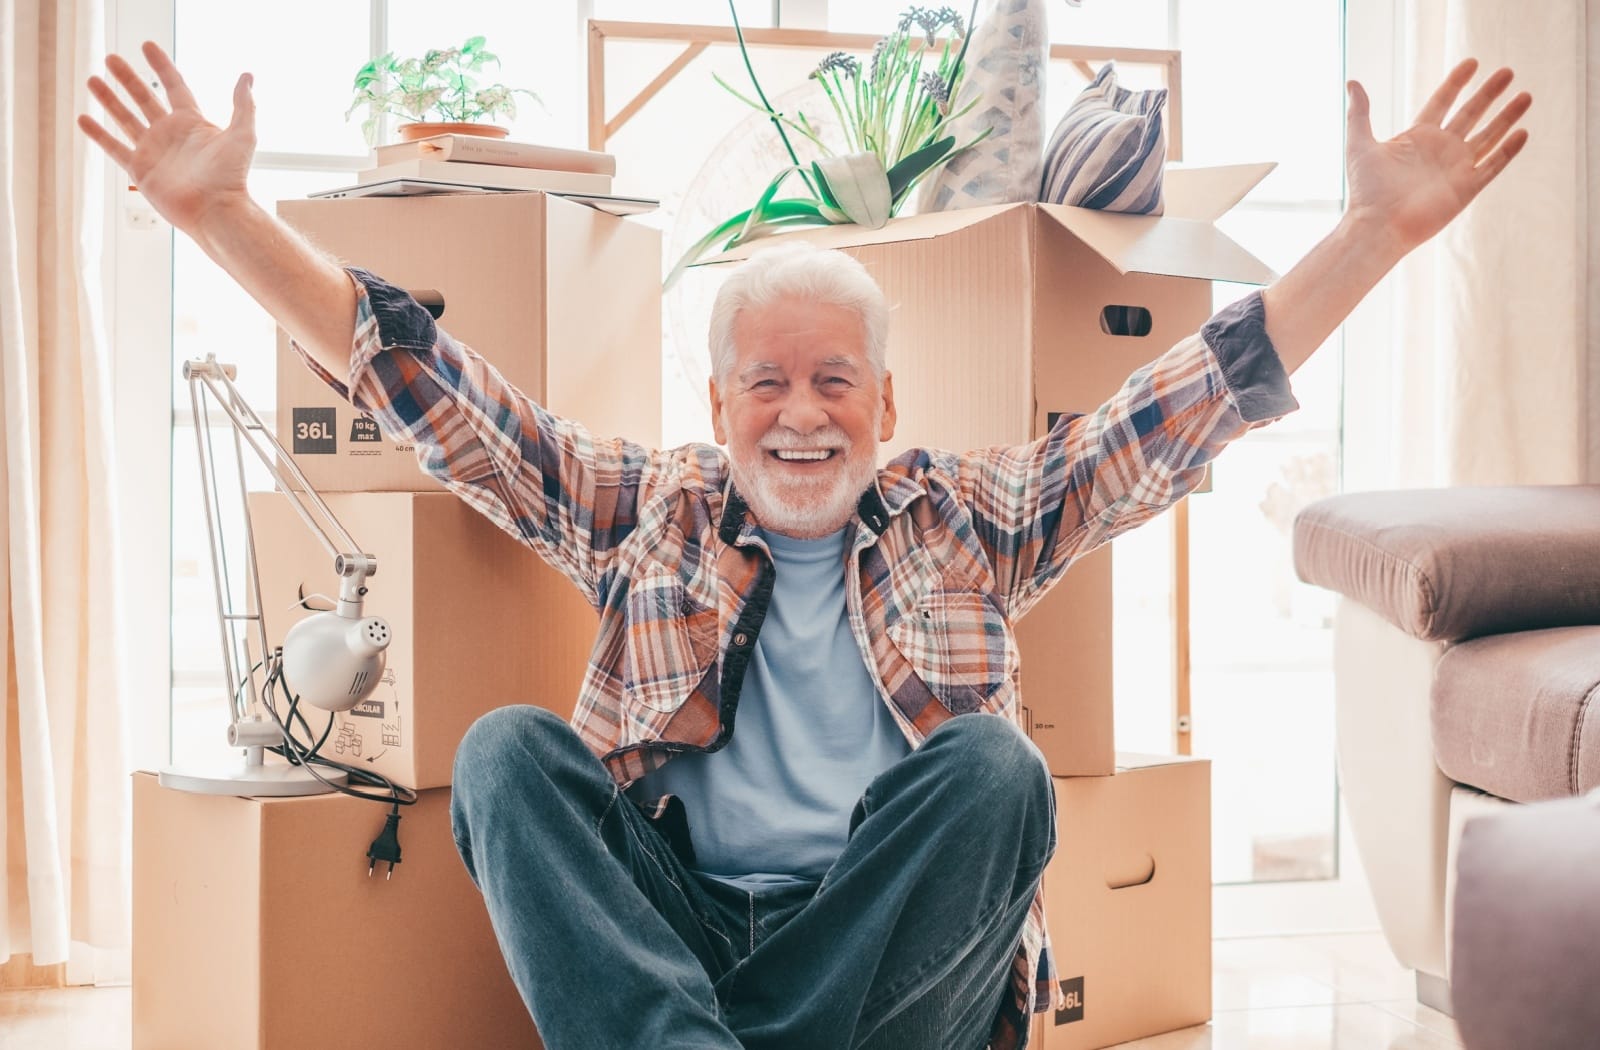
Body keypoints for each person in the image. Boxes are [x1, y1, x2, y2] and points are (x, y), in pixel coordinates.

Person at [80, 42, 1531, 1050]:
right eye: (764, 382)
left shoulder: (971, 513)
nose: (799, 413)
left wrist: (1371, 238)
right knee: (516, 754)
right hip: (686, 936)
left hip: (890, 965)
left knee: (996, 771)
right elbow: (435, 394)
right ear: (716, 407)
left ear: (886, 405)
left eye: (834, 379)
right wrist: (223, 219)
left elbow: (1183, 407)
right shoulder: (645, 507)